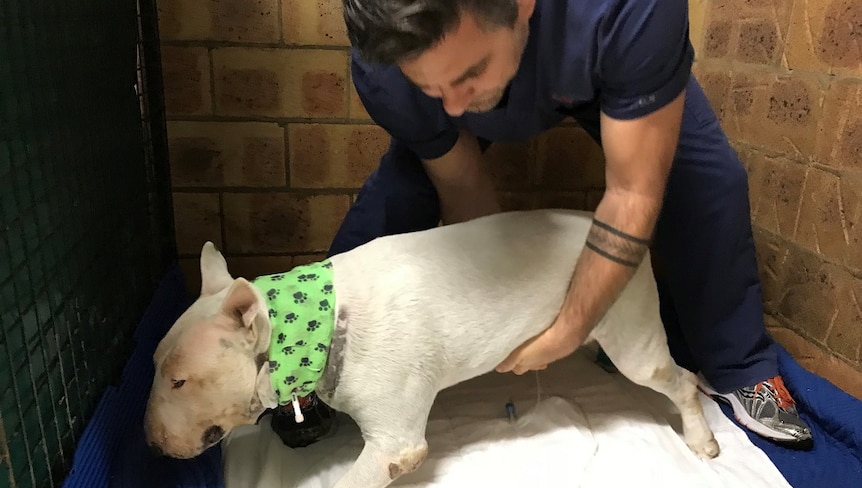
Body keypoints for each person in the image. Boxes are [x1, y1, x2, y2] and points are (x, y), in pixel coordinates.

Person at [271, 0, 813, 451]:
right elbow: (462, 187)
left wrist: (572, 328)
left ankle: (740, 362)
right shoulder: (388, 66)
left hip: (608, 70)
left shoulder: (630, 10)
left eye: (469, 73)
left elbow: (632, 191)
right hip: (479, 64)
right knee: (401, 189)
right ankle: (314, 362)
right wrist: (504, 315)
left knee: (708, 181)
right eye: (434, 90)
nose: (457, 106)